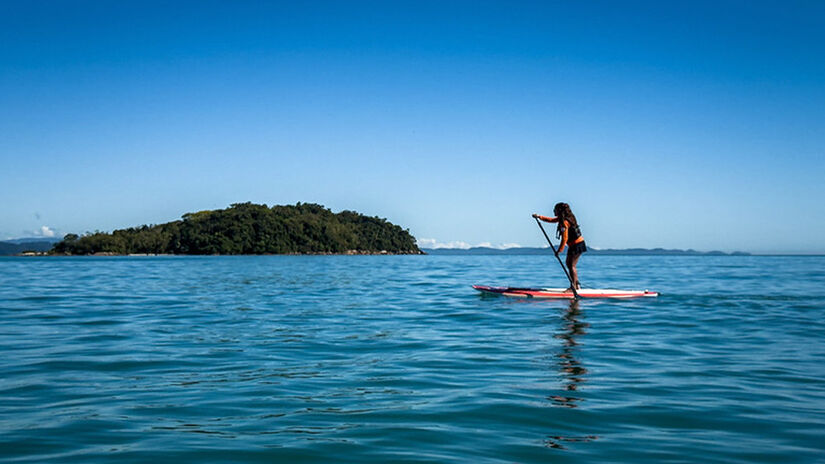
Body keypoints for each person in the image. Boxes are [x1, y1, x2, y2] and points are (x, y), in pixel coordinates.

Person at [532, 202, 587, 291]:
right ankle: (576, 284)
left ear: (559, 211)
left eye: (555, 210)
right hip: (575, 245)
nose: (553, 211)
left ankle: (573, 286)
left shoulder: (565, 222)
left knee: (571, 265)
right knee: (570, 264)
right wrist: (539, 217)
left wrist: (559, 251)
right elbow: (551, 220)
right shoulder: (565, 218)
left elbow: (564, 239)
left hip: (577, 245)